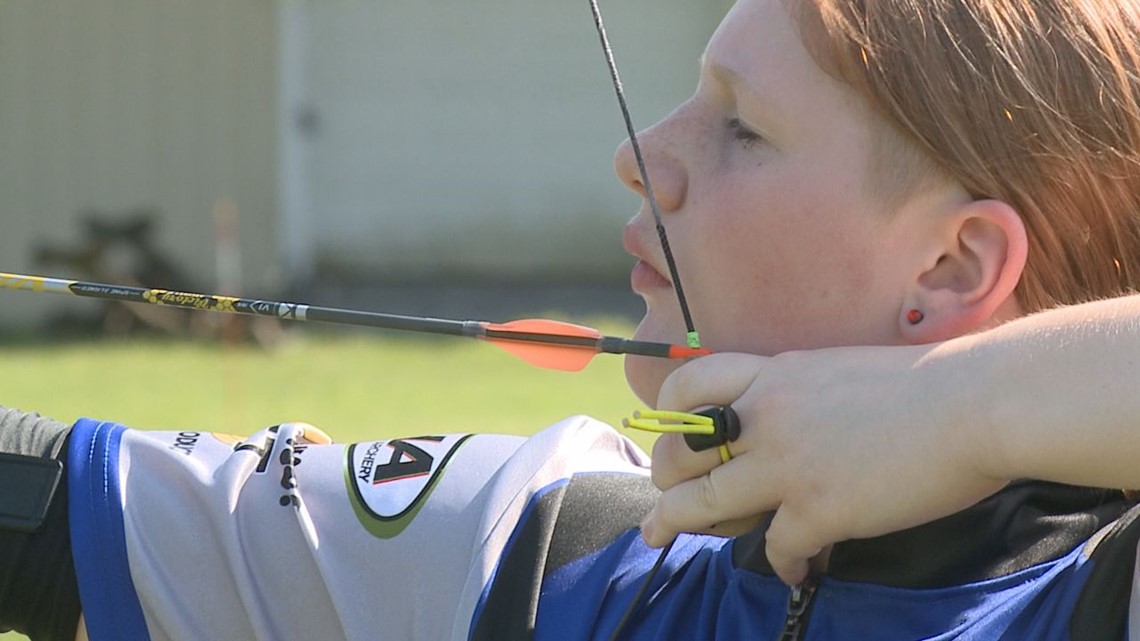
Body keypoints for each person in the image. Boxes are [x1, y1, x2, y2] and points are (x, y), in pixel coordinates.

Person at [4, 0, 1140, 639]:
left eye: (743, 129)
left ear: (953, 262)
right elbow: (48, 514)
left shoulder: (1093, 602)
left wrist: (956, 407)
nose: (642, 155)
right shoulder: (543, 551)